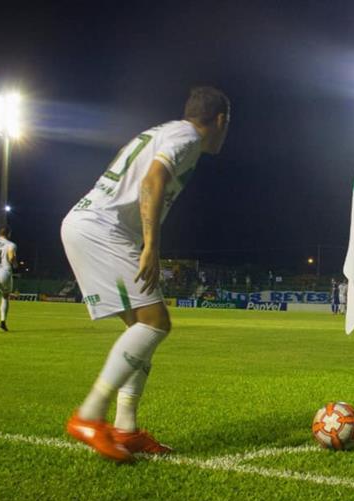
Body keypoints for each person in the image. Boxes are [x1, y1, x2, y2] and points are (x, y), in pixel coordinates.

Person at [60, 86, 231, 462]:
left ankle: (126, 428)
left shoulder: (168, 131)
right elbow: (152, 181)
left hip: (90, 223)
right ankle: (89, 415)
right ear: (220, 121)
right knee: (156, 323)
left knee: (140, 328)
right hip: (101, 228)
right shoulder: (187, 137)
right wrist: (152, 246)